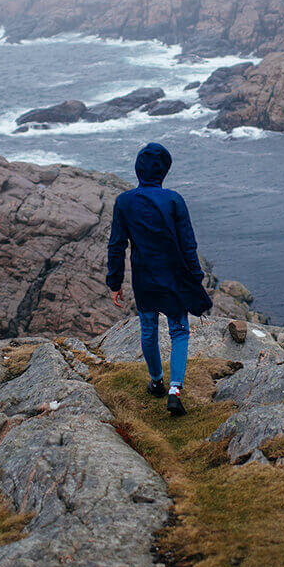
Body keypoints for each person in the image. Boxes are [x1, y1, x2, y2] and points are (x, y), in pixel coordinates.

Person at [106, 141, 212, 416]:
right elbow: (189, 245)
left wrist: (114, 283)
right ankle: (175, 391)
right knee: (179, 332)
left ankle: (156, 381)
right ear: (164, 171)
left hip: (144, 279)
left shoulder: (124, 201)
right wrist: (196, 279)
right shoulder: (174, 200)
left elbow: (116, 245)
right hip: (173, 278)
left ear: (137, 169)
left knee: (149, 329)